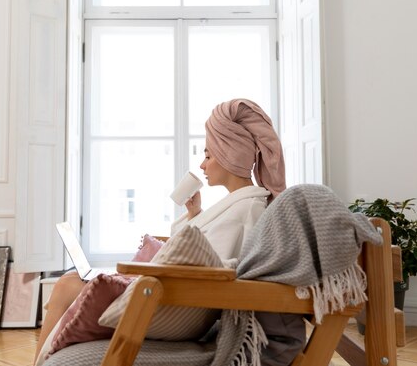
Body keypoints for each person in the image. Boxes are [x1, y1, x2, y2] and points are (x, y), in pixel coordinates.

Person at [34, 98, 286, 362]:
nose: (202, 165)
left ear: (228, 156)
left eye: (208, 155)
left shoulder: (247, 209)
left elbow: (216, 271)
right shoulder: (238, 205)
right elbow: (202, 254)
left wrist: (141, 275)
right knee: (70, 283)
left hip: (177, 306)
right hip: (173, 294)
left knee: (67, 285)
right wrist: (194, 215)